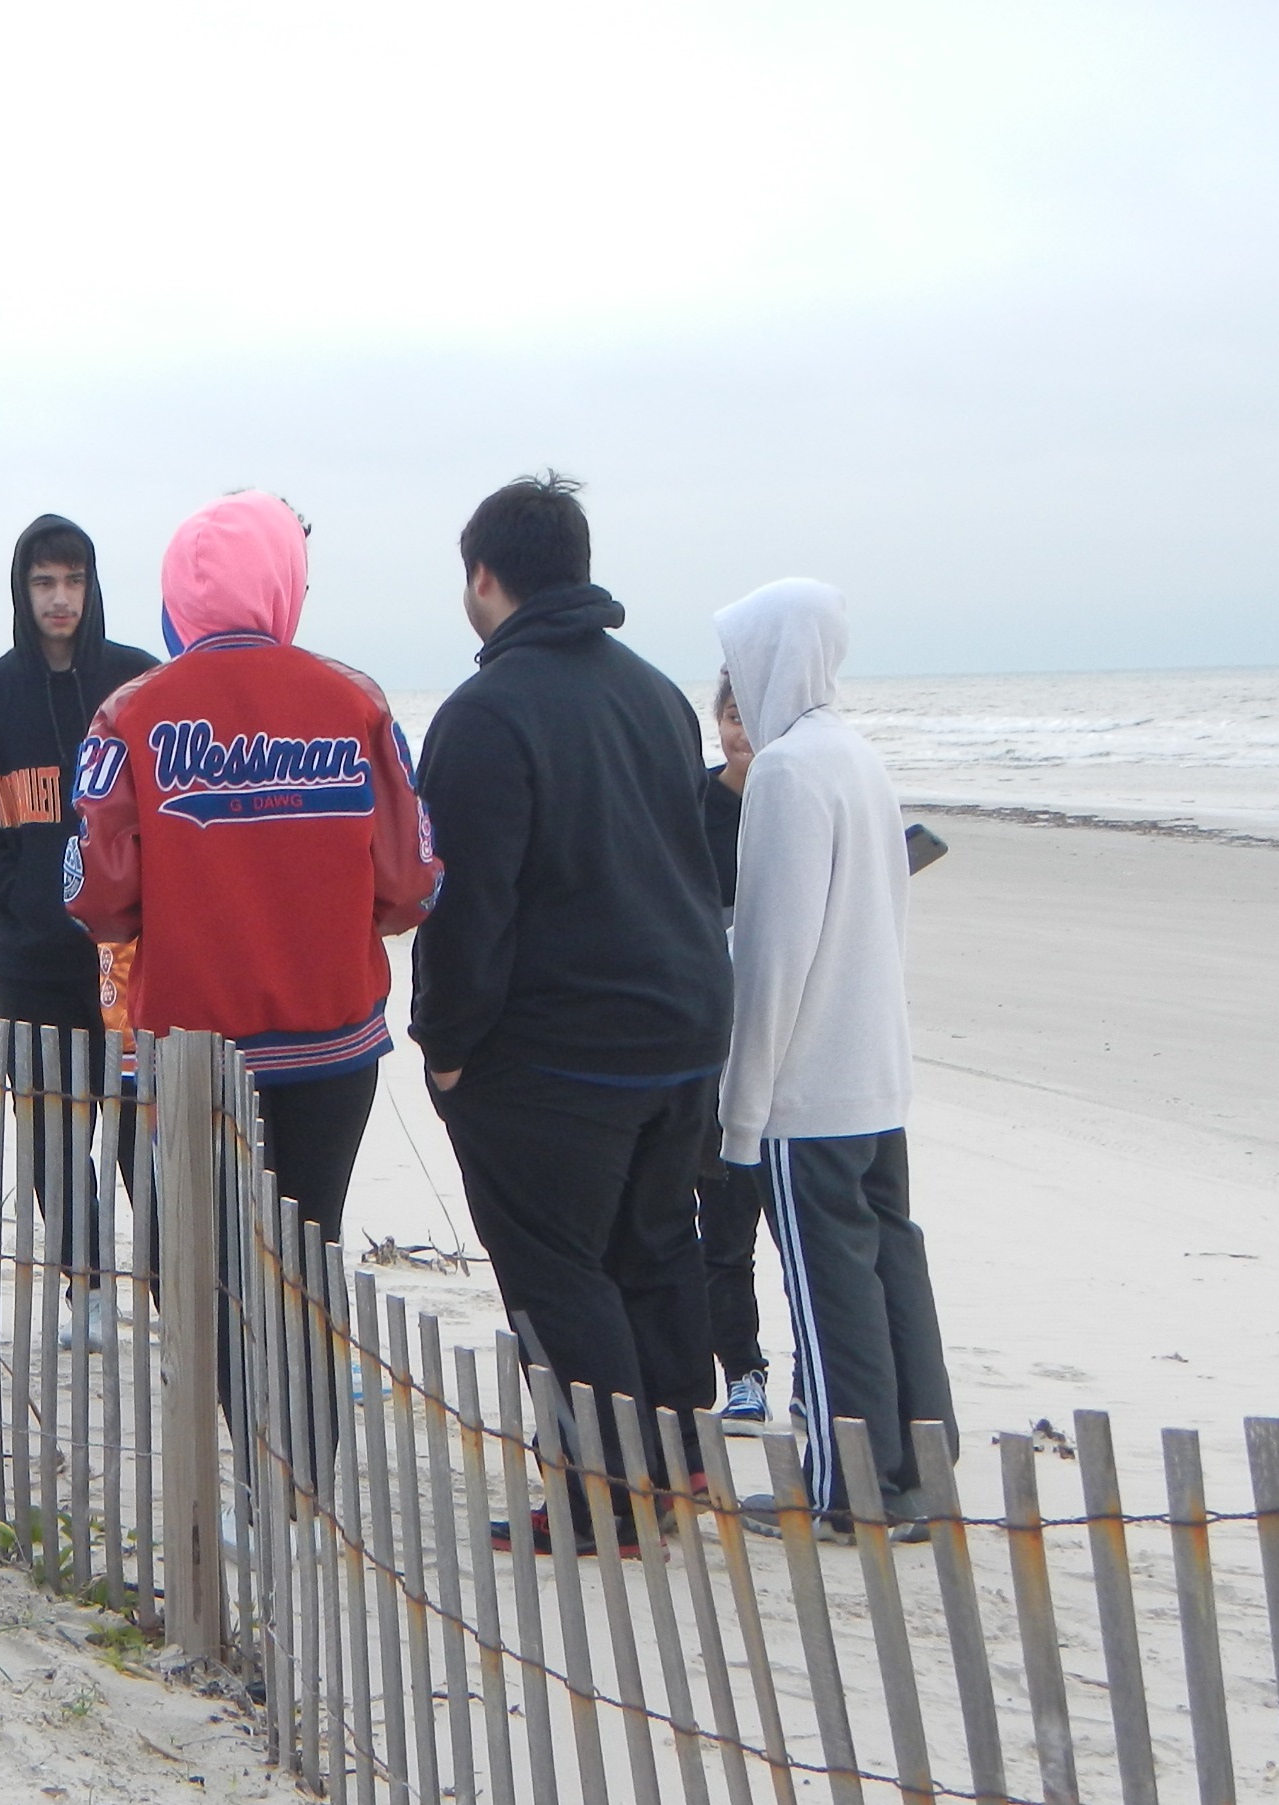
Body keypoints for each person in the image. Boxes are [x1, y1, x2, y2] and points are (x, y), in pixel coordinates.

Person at [410, 473, 733, 1428]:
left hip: (559, 1046)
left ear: (483, 579)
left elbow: (468, 905)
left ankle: (608, 1492)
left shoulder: (487, 712)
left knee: (558, 1268)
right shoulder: (655, 694)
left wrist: (448, 1044)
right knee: (659, 1246)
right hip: (682, 1024)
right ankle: (673, 1468)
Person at [65, 490, 436, 1252]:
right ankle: (307, 1375)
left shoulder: (128, 714)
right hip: (333, 1041)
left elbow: (96, 897)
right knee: (309, 1249)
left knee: (205, 1261)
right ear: (283, 581)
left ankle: (224, 1379)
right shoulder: (355, 701)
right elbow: (410, 884)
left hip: (191, 1045)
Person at [714, 575, 956, 1527]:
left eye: (742, 658)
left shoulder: (785, 771)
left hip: (811, 1085)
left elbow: (772, 952)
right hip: (878, 1076)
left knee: (827, 1288)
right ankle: (916, 1472)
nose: (736, 678)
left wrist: (742, 1110)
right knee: (893, 1264)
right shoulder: (858, 756)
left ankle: (845, 1492)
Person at [0, 514, 157, 1344]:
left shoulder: (140, 686)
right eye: (43, 583)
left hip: (132, 959)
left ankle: (175, 1290)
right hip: (31, 961)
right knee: (57, 1130)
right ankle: (87, 1290)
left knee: (144, 1125)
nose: (59, 599)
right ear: (22, 591)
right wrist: (26, 904)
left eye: (72, 581)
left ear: (92, 586)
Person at [698, 675, 769, 1424]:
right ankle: (741, 1371)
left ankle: (819, 1379)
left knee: (796, 1224)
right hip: (711, 1036)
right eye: (730, 713)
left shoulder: (797, 800)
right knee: (722, 1226)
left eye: (754, 713)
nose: (742, 729)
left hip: (788, 1040)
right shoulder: (694, 802)